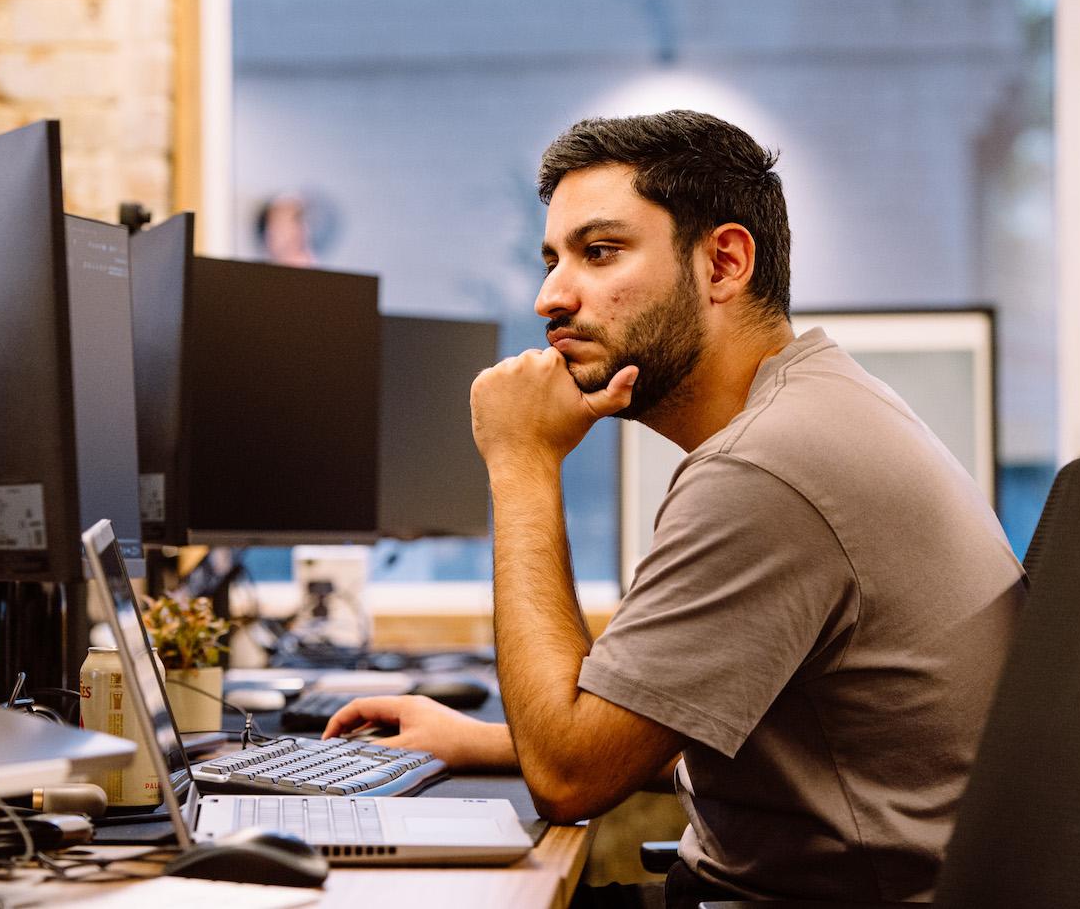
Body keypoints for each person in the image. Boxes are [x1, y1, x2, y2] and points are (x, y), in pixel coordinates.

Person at [323, 110, 1026, 905]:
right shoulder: (817, 405)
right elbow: (700, 727)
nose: (551, 296)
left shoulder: (765, 469)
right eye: (552, 259)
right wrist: (482, 743)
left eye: (600, 252)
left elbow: (570, 776)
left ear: (723, 263)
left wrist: (522, 463)